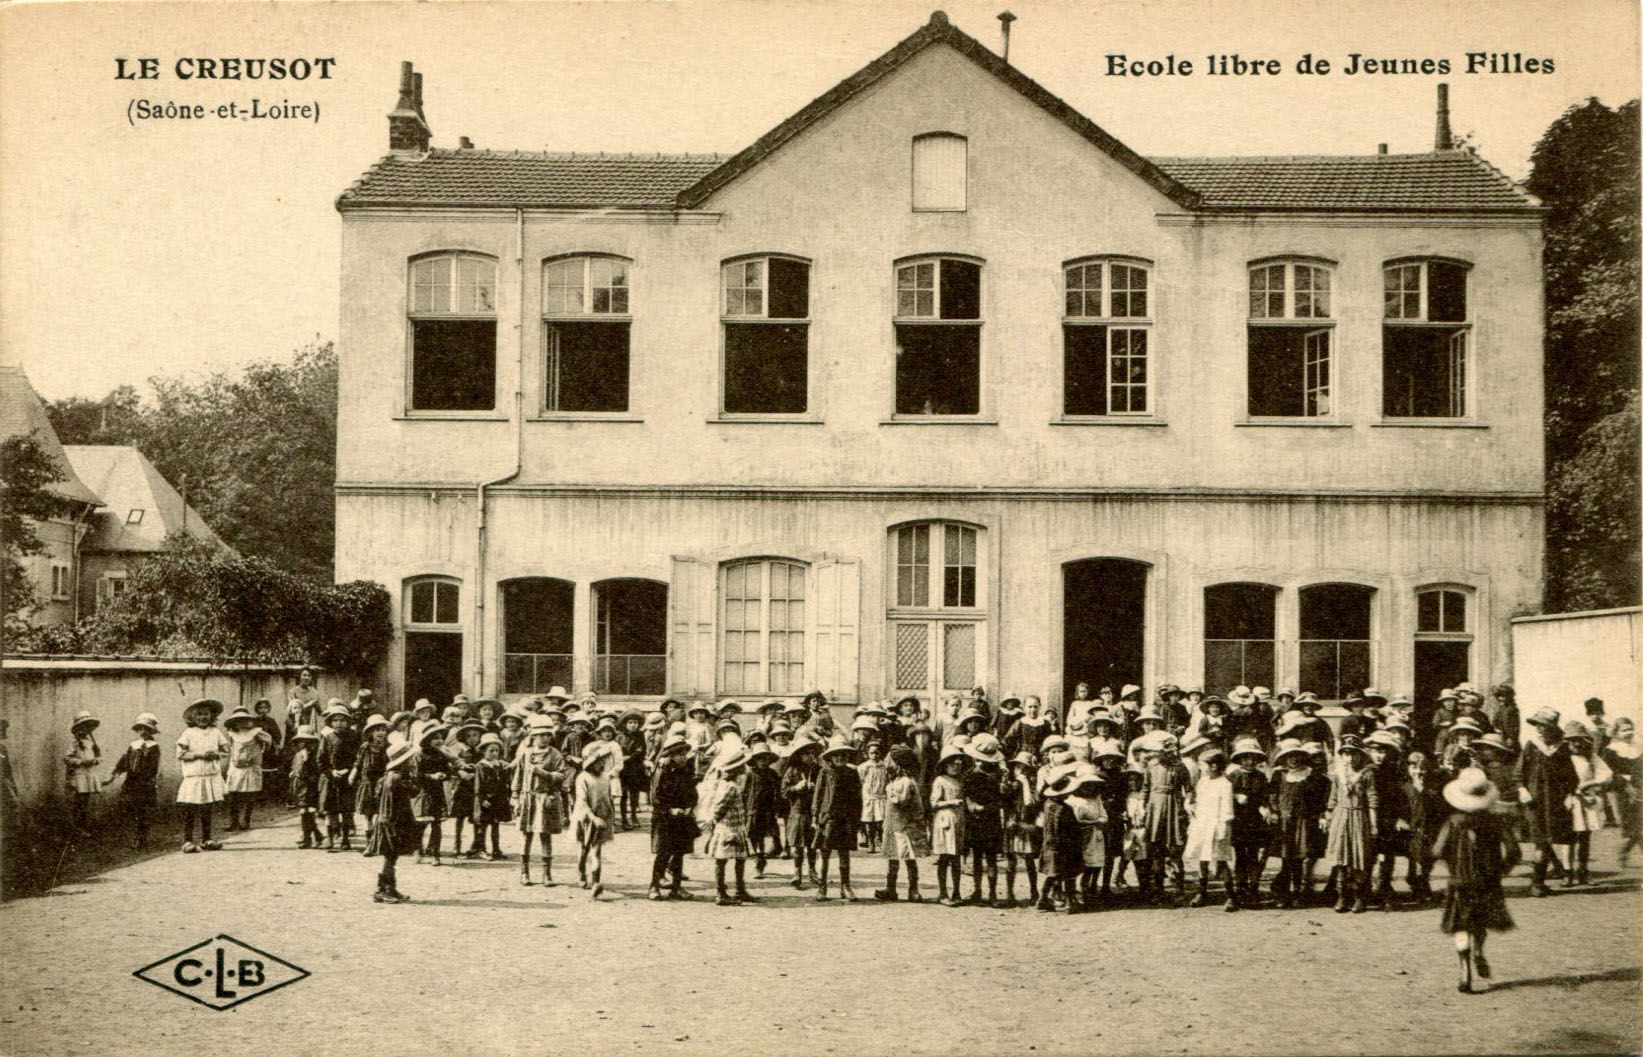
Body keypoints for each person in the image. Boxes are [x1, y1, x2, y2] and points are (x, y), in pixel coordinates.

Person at [1432, 767, 1520, 994]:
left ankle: (1464, 972)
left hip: (1460, 879)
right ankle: (1479, 952)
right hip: (1488, 879)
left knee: (1460, 924)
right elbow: (1513, 851)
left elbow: (1437, 850)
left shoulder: (1453, 821)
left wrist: (1452, 865)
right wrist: (1500, 870)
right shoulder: (1496, 821)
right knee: (1480, 921)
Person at [1518, 708, 1576, 896]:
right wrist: (1522, 788)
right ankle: (1537, 883)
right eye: (1538, 726)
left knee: (1547, 840)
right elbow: (1519, 772)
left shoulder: (1562, 748)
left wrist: (1570, 794)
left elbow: (1570, 776)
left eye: (1544, 726)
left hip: (1555, 801)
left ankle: (1539, 882)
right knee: (1540, 842)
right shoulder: (1531, 746)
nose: (1540, 729)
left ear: (1553, 728)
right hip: (1534, 801)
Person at [1271, 738, 1329, 908]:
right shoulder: (1279, 775)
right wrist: (1274, 811)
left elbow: (1322, 799)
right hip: (1284, 822)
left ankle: (1298, 892)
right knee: (1285, 858)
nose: (1293, 760)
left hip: (1303, 822)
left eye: (1296, 756)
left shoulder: (1314, 776)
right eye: (1289, 756)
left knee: (1299, 859)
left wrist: (1322, 815)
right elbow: (1272, 796)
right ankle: (1283, 893)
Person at [1324, 736, 1379, 913]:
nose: (1350, 758)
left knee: (1358, 858)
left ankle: (1359, 897)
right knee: (1341, 858)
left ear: (1360, 755)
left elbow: (1372, 800)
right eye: (1346, 754)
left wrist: (1373, 824)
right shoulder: (1338, 775)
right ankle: (1341, 896)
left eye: (1354, 754)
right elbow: (1332, 799)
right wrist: (1329, 817)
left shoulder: (1367, 774)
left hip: (1359, 816)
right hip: (1341, 816)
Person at [367, 736, 421, 903]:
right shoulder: (397, 779)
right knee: (390, 856)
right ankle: (381, 890)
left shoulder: (388, 776)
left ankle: (390, 888)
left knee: (392, 856)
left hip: (388, 820)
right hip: (393, 822)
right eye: (409, 760)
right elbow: (413, 791)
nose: (412, 762)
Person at [514, 716, 567, 887]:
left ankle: (547, 873)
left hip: (546, 798)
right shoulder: (526, 754)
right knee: (526, 835)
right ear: (533, 736)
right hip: (528, 797)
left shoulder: (555, 754)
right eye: (540, 735)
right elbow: (518, 776)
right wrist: (515, 797)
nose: (544, 738)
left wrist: (542, 772)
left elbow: (561, 776)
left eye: (547, 735)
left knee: (546, 836)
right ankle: (524, 872)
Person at [1141, 735, 1192, 905]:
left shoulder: (1180, 767)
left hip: (1174, 806)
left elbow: (1189, 789)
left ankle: (1179, 889)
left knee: (1175, 849)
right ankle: (1158, 889)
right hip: (1155, 809)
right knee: (1156, 848)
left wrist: (1187, 803)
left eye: (1164, 752)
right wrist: (1143, 808)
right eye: (1158, 752)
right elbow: (1146, 789)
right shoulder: (1151, 766)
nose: (1161, 755)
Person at [648, 732, 699, 900]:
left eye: (684, 753)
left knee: (679, 853)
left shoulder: (685, 771)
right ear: (670, 755)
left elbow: (692, 793)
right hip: (665, 817)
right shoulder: (662, 772)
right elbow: (655, 797)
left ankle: (676, 888)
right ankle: (654, 887)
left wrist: (690, 807)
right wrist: (670, 809)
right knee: (663, 852)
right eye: (679, 754)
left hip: (683, 818)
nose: (683, 757)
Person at [1184, 746, 1236, 910]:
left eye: (1202, 764)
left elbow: (1227, 809)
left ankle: (1231, 896)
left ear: (1213, 766)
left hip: (1217, 826)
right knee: (1202, 859)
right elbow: (1199, 801)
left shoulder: (1225, 784)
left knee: (1221, 861)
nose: (1200, 768)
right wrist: (1192, 808)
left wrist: (1223, 828)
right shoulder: (1203, 781)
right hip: (1202, 824)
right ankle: (1202, 892)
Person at [876, 747, 930, 902]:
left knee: (908, 857)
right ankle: (890, 889)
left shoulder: (905, 782)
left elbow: (902, 801)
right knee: (893, 857)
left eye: (889, 760)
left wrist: (890, 792)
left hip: (904, 827)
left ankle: (913, 890)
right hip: (894, 825)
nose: (886, 763)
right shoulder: (895, 780)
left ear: (898, 763)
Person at [812, 740, 863, 901]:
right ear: (831, 757)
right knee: (825, 853)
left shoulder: (852, 773)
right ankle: (822, 887)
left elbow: (857, 798)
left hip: (846, 818)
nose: (840, 758)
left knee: (844, 853)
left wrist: (857, 819)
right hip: (828, 817)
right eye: (837, 755)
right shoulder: (825, 773)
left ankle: (845, 886)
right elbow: (818, 796)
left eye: (844, 755)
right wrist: (815, 816)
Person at [176, 700, 227, 853]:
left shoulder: (216, 732)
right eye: (199, 714)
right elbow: (181, 754)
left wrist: (215, 755)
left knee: (207, 809)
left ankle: (207, 839)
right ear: (193, 716)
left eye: (206, 714)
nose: (202, 717)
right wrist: (199, 755)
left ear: (212, 716)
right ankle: (188, 841)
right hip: (194, 777)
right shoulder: (188, 733)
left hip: (209, 776)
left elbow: (225, 751)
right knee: (190, 809)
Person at [962, 735, 1008, 906]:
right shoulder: (969, 774)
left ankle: (993, 892)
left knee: (991, 858)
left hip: (991, 819)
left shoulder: (998, 775)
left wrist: (989, 806)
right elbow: (965, 794)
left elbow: (1003, 798)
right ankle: (978, 890)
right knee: (977, 857)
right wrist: (972, 804)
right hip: (975, 820)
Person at [1563, 722, 1610, 887]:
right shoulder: (1563, 757)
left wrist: (1591, 783)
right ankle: (1567, 873)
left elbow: (1607, 774)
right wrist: (1574, 790)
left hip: (1588, 800)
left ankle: (1583, 871)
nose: (1575, 744)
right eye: (1571, 740)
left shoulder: (1590, 756)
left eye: (1578, 740)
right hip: (1570, 800)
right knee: (1569, 838)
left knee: (1585, 837)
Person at [1225, 738, 1270, 909]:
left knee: (1253, 855)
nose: (1249, 762)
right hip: (1238, 820)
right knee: (1240, 856)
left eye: (1253, 758)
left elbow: (1265, 796)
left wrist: (1265, 807)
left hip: (1254, 820)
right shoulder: (1233, 776)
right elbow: (1223, 794)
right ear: (1240, 759)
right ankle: (1239, 889)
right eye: (1246, 758)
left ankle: (1253, 890)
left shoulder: (1260, 777)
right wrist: (1235, 797)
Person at [103, 713, 161, 846]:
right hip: (131, 782)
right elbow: (124, 762)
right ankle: (126, 836)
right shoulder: (133, 745)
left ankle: (141, 838)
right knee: (128, 807)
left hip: (145, 783)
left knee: (143, 810)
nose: (143, 732)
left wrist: (148, 779)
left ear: (151, 730)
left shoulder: (154, 747)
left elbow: (153, 766)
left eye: (146, 729)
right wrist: (112, 777)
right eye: (140, 728)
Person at [571, 748, 616, 897]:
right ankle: (581, 873)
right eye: (598, 761)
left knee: (596, 851)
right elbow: (582, 801)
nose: (602, 764)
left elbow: (608, 798)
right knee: (584, 849)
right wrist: (592, 817)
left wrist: (609, 815)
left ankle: (596, 882)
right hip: (585, 818)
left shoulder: (605, 778)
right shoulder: (582, 778)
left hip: (601, 818)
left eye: (603, 761)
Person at [1038, 766, 1082, 912]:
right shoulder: (1065, 809)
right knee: (1069, 875)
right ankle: (1070, 902)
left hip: (1050, 845)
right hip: (1064, 846)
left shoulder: (1048, 804)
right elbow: (1070, 829)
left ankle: (1043, 898)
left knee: (1052, 874)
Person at [222, 705, 273, 834]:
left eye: (244, 720)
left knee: (249, 794)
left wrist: (260, 753)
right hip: (236, 767)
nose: (241, 723)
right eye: (238, 721)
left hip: (250, 767)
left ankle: (246, 820)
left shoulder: (255, 732)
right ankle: (234, 821)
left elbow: (269, 740)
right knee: (233, 795)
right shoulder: (231, 734)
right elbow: (230, 748)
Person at [1402, 751, 1444, 903]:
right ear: (1408, 768)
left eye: (1422, 769)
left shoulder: (1431, 789)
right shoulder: (1405, 788)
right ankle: (1416, 881)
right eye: (1414, 768)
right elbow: (1399, 808)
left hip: (1427, 828)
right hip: (1410, 829)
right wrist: (1401, 821)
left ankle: (1422, 880)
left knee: (1427, 857)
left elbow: (1436, 810)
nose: (1418, 772)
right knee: (1416, 855)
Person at [1002, 751, 1041, 908]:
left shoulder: (1030, 787)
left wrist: (1025, 783)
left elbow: (1029, 804)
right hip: (1013, 823)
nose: (1021, 770)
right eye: (1018, 767)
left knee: (1029, 860)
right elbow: (1005, 799)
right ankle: (1010, 893)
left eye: (1025, 768)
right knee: (1011, 860)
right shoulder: (1012, 785)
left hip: (1026, 823)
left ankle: (1034, 892)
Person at [781, 738, 822, 888]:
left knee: (812, 845)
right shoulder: (792, 771)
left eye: (813, 754)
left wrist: (815, 787)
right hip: (797, 811)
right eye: (807, 754)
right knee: (797, 845)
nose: (811, 756)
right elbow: (783, 791)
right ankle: (797, 872)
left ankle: (812, 871)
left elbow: (825, 789)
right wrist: (796, 788)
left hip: (813, 812)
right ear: (800, 755)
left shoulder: (818, 770)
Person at [930, 747, 968, 906]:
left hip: (958, 820)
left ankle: (957, 891)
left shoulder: (961, 781)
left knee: (956, 858)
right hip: (945, 820)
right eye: (953, 764)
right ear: (945, 765)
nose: (956, 767)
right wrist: (952, 802)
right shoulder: (940, 780)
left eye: (958, 764)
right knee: (944, 857)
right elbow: (934, 803)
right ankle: (943, 893)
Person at [411, 721, 452, 867]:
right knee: (421, 824)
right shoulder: (419, 755)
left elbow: (448, 771)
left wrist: (443, 775)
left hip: (436, 793)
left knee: (437, 824)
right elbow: (416, 775)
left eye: (441, 737)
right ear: (427, 740)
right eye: (435, 738)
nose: (439, 741)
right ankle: (418, 851)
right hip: (423, 792)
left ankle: (436, 854)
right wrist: (431, 776)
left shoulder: (441, 755)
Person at [1604, 717, 1642, 866]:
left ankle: (1624, 852)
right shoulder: (1611, 750)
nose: (1629, 732)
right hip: (1621, 791)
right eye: (1624, 730)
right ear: (1616, 732)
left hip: (1639, 787)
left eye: (1630, 729)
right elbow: (1607, 773)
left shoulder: (1639, 747)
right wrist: (1624, 783)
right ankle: (1623, 852)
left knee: (1639, 824)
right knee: (1632, 824)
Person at [444, 721, 483, 860]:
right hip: (464, 787)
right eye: (469, 736)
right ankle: (456, 845)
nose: (472, 738)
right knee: (460, 818)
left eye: (475, 735)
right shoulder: (460, 751)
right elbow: (452, 765)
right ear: (464, 738)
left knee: (477, 818)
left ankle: (476, 846)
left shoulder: (482, 751)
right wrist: (461, 773)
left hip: (478, 788)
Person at [470, 732, 512, 860]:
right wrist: (482, 799)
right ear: (483, 751)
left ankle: (496, 849)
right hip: (486, 800)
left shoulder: (499, 765)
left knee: (496, 825)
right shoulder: (481, 766)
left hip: (497, 799)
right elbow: (478, 785)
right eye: (491, 750)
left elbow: (504, 781)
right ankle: (481, 849)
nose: (494, 753)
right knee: (482, 826)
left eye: (497, 751)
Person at [742, 743, 783, 877]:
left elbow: (779, 791)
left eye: (766, 759)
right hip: (754, 810)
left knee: (771, 833)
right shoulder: (750, 775)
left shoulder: (773, 774)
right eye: (760, 758)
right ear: (754, 760)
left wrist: (778, 806)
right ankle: (759, 861)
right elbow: (743, 792)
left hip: (768, 810)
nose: (763, 761)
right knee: (755, 836)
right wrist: (744, 809)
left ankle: (773, 850)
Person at [353, 716, 390, 856]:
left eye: (382, 730)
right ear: (370, 733)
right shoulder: (365, 747)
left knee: (380, 814)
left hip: (381, 783)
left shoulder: (388, 747)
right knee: (367, 814)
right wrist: (353, 774)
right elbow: (358, 763)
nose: (380, 733)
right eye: (377, 730)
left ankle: (378, 842)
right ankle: (369, 843)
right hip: (367, 783)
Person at [64, 711, 102, 832]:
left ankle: (83, 826)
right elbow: (67, 758)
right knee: (79, 801)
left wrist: (95, 761)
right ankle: (77, 827)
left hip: (89, 774)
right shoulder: (74, 743)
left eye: (87, 726)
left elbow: (99, 756)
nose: (85, 729)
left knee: (85, 801)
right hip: (79, 775)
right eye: (82, 727)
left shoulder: (92, 743)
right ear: (78, 728)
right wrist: (81, 762)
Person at [289, 725, 322, 848]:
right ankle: (314, 836)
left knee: (308, 811)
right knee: (304, 811)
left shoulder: (314, 755)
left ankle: (309, 838)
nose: (304, 744)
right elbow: (296, 767)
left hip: (311, 785)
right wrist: (294, 773)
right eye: (301, 741)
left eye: (307, 741)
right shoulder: (298, 755)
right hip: (301, 786)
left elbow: (316, 770)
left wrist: (307, 762)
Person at [617, 711, 648, 829]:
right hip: (623, 769)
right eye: (630, 722)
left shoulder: (640, 735)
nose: (633, 725)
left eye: (635, 722)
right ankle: (624, 818)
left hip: (635, 768)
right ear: (625, 724)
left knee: (634, 793)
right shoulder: (619, 736)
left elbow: (640, 751)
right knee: (623, 794)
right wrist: (621, 758)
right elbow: (616, 750)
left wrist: (629, 757)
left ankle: (634, 815)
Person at [250, 699, 285, 803]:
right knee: (258, 770)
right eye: (261, 708)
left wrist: (272, 742)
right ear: (257, 709)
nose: (263, 710)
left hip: (269, 750)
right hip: (258, 748)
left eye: (265, 708)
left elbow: (277, 734)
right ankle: (258, 793)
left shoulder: (271, 721)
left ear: (268, 709)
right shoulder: (254, 721)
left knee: (269, 771)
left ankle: (269, 793)